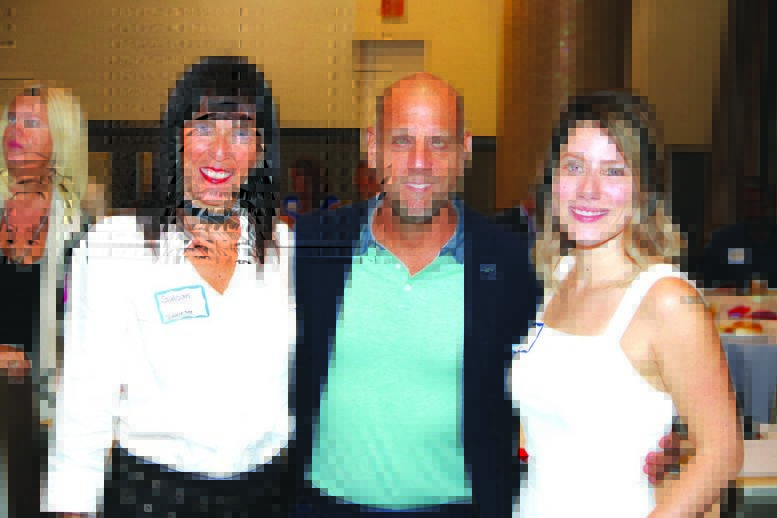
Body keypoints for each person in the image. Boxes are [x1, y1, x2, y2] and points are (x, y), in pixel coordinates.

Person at [43, 56, 297, 517]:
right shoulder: (117, 246)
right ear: (176, 138)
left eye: (241, 132)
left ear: (261, 151)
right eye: (204, 127)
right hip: (153, 497)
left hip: (266, 496)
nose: (220, 151)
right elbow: (84, 397)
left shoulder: (284, 250)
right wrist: (71, 506)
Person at [510, 91, 742, 517]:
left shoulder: (665, 300)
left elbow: (721, 452)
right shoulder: (557, 280)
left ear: (643, 190)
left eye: (613, 171)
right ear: (553, 180)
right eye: (574, 166)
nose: (589, 189)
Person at [0, 84, 89, 516]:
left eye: (32, 123)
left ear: (61, 139)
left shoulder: (84, 228)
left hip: (46, 412)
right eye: (11, 120)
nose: (15, 131)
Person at [698, 182, 777, 291]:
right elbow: (703, 280)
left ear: (770, 205)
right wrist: (722, 288)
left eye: (757, 204)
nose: (752, 210)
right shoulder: (723, 240)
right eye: (748, 204)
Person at [280, 157, 340, 228]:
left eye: (295, 177)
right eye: (292, 178)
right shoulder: (289, 202)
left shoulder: (329, 203)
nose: (292, 182)